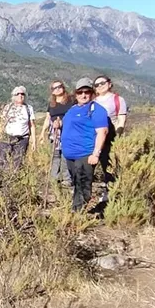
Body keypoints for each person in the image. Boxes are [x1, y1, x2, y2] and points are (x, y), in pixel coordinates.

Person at [61, 78, 109, 212]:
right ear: (75, 94)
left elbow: (102, 132)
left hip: (85, 154)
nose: (83, 95)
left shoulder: (96, 110)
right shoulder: (73, 109)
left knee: (83, 184)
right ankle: (76, 210)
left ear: (92, 93)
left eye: (87, 91)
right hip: (70, 154)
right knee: (77, 182)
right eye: (80, 92)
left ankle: (78, 214)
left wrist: (95, 154)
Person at [40, 80, 75, 186]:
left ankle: (67, 179)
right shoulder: (51, 104)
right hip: (54, 133)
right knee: (55, 156)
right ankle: (53, 178)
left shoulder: (71, 101)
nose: (58, 89)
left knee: (66, 155)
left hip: (68, 132)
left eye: (60, 86)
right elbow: (48, 118)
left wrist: (62, 122)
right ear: (52, 91)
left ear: (63, 87)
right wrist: (42, 132)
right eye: (55, 88)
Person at [93, 75, 127, 184]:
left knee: (108, 165)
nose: (100, 86)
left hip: (110, 137)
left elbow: (121, 119)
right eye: (97, 85)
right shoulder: (93, 101)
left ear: (109, 84)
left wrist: (118, 136)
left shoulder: (117, 100)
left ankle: (110, 190)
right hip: (94, 138)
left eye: (102, 83)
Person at [0, 86, 36, 171]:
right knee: (1, 160)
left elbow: (32, 125)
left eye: (22, 94)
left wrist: (34, 141)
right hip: (7, 137)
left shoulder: (29, 108)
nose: (20, 95)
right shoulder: (8, 107)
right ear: (14, 96)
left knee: (18, 162)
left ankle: (14, 179)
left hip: (22, 139)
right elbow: (2, 123)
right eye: (18, 94)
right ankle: (1, 178)